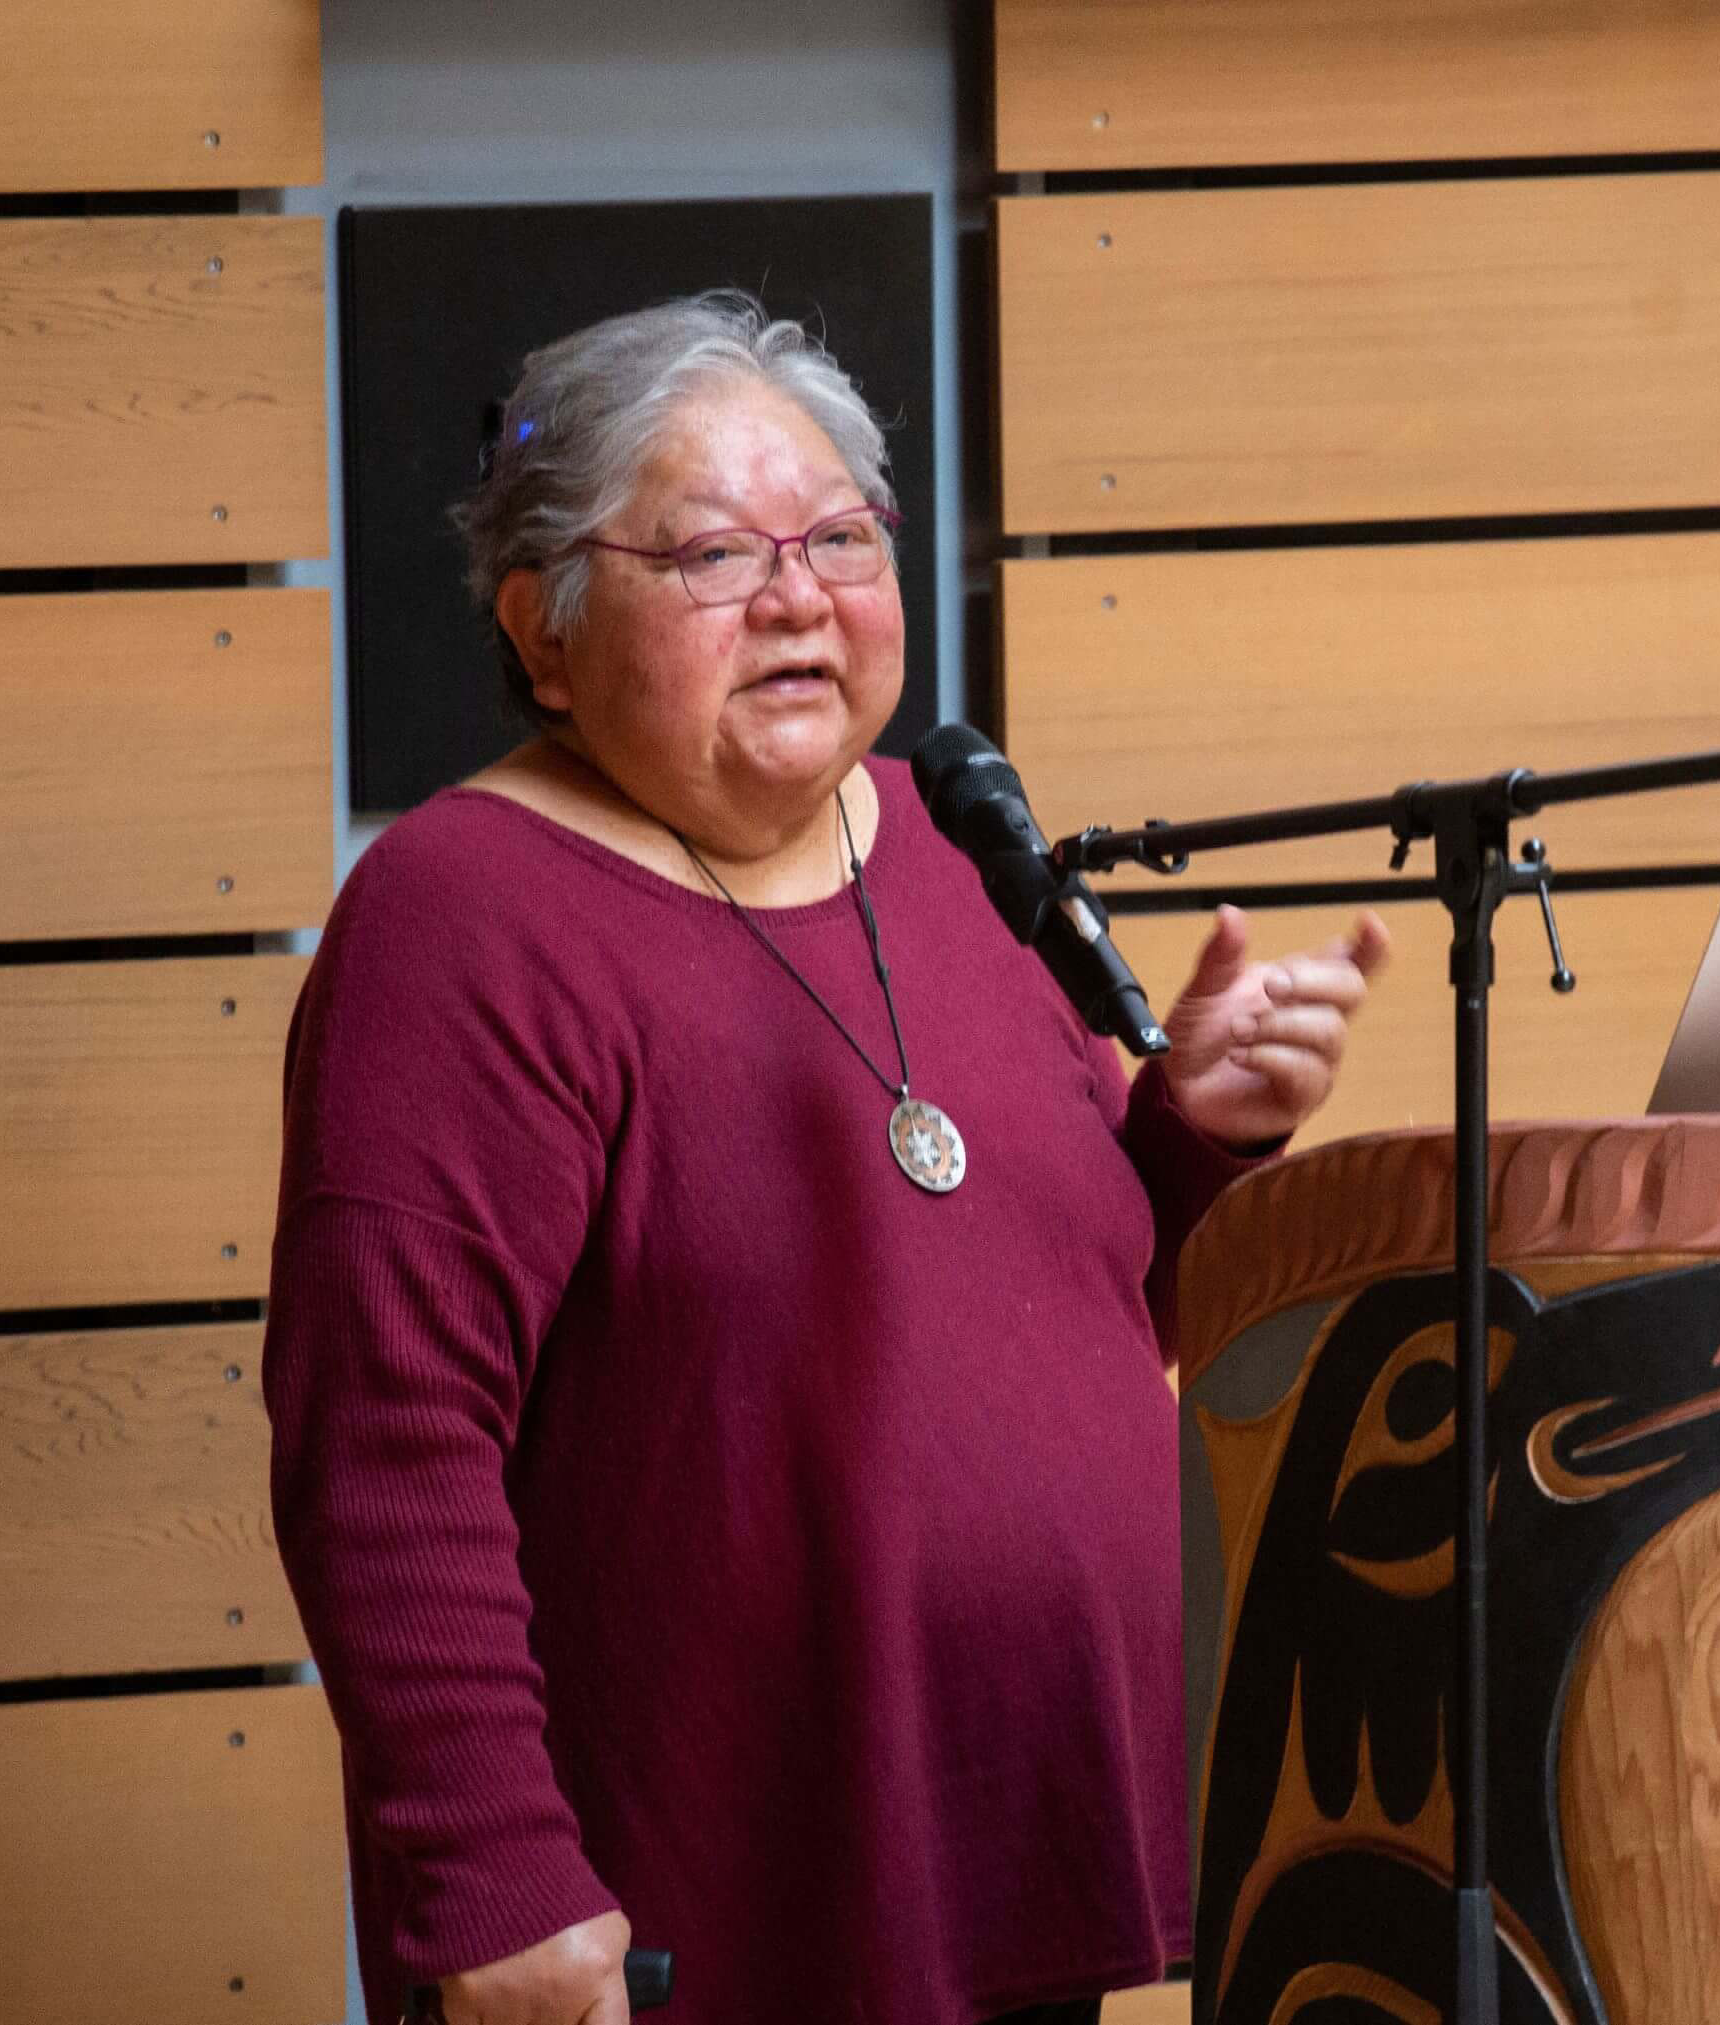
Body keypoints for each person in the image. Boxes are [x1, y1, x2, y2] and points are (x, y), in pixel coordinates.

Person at [264, 291, 1389, 2025]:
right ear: (544, 635)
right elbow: (383, 1442)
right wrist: (489, 1870)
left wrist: (1193, 1139)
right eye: (712, 554)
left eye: (841, 537)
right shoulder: (461, 919)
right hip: (698, 1911)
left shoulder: (944, 845)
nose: (799, 595)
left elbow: (1058, 1302)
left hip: (999, 1853)